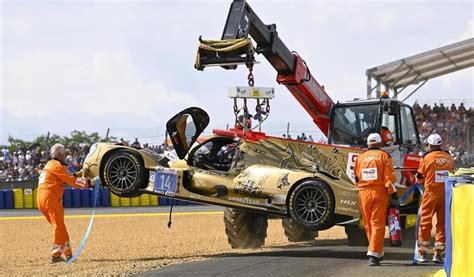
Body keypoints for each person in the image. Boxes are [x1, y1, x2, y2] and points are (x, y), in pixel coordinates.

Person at [37, 143, 90, 263]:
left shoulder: (49, 164)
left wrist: (78, 174)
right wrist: (89, 183)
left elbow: (66, 176)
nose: (65, 156)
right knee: (58, 226)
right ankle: (56, 253)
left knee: (60, 226)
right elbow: (72, 181)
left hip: (41, 198)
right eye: (64, 153)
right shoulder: (59, 165)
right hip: (51, 198)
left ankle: (68, 253)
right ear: (60, 154)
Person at [354, 133, 397, 266]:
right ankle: (373, 252)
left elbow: (356, 177)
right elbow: (388, 178)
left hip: (363, 193)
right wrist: (393, 194)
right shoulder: (384, 156)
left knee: (368, 223)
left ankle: (377, 252)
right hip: (379, 192)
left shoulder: (360, 158)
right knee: (377, 223)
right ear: (380, 144)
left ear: (368, 144)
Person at [415, 133, 453, 263]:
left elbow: (420, 177)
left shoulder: (426, 158)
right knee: (442, 223)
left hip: (430, 194)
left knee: (425, 222)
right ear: (440, 144)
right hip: (446, 194)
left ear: (429, 145)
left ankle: (422, 254)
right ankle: (438, 253)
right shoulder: (448, 157)